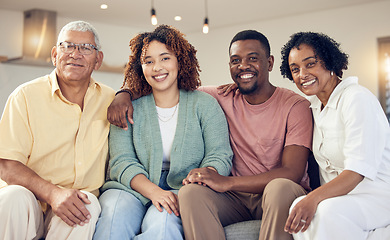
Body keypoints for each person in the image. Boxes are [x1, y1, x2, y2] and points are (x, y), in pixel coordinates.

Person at [108, 30, 314, 240]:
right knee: (191, 193)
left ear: (269, 63)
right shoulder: (219, 96)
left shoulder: (295, 106)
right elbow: (164, 83)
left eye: (252, 58)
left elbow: (292, 172)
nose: (243, 66)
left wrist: (228, 182)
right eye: (236, 60)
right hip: (235, 199)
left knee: (279, 188)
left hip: (278, 194)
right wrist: (124, 94)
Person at [93, 25, 233, 240]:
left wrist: (203, 175)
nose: (157, 67)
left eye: (165, 58)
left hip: (183, 190)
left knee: (164, 225)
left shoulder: (205, 105)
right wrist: (153, 191)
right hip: (130, 189)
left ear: (180, 61)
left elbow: (220, 154)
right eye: (148, 61)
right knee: (113, 219)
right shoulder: (127, 107)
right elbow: (122, 161)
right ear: (141, 68)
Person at [0, 21, 115, 240]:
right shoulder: (24, 96)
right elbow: (6, 166)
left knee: (87, 208)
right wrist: (53, 193)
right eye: (68, 46)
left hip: (76, 203)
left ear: (98, 60)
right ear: (55, 54)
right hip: (29, 199)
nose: (75, 54)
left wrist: (126, 94)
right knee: (13, 197)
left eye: (85, 48)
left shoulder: (111, 100)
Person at [281, 32, 390, 240]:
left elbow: (357, 171)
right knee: (298, 206)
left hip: (376, 196)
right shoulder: (313, 109)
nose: (302, 74)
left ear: (329, 62)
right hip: (340, 198)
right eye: (295, 69)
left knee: (327, 211)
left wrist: (313, 198)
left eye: (310, 64)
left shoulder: (357, 99)